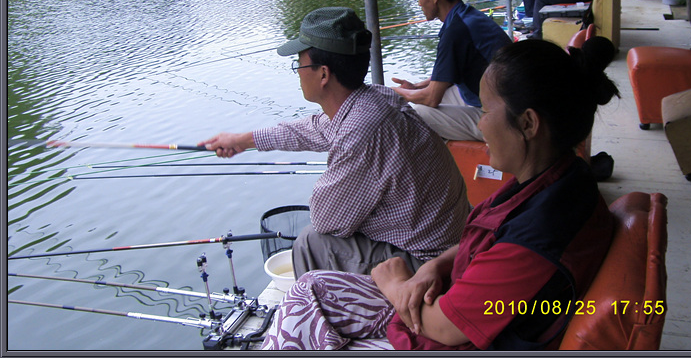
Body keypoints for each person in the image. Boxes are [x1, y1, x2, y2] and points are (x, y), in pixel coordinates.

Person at [261, 36, 621, 351]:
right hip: (456, 296)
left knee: (305, 301)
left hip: (445, 336)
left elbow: (446, 327)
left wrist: (396, 284)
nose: (479, 124)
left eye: (485, 111)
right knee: (312, 289)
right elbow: (488, 246)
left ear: (528, 123)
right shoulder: (560, 181)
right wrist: (435, 265)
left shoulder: (537, 236)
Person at [200, 7, 470, 277]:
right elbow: (315, 128)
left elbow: (325, 220)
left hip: (432, 264)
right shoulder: (376, 98)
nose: (298, 73)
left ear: (323, 74)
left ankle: (324, 303)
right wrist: (243, 140)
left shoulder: (361, 132)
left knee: (311, 242)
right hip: (453, 241)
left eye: (299, 65)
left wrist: (340, 183)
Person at [391, 0, 513, 142]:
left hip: (505, 118)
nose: (419, 3)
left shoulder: (456, 31)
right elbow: (445, 78)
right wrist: (416, 88)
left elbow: (432, 98)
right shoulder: (467, 17)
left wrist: (395, 93)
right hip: (500, 100)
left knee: (418, 113)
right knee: (429, 98)